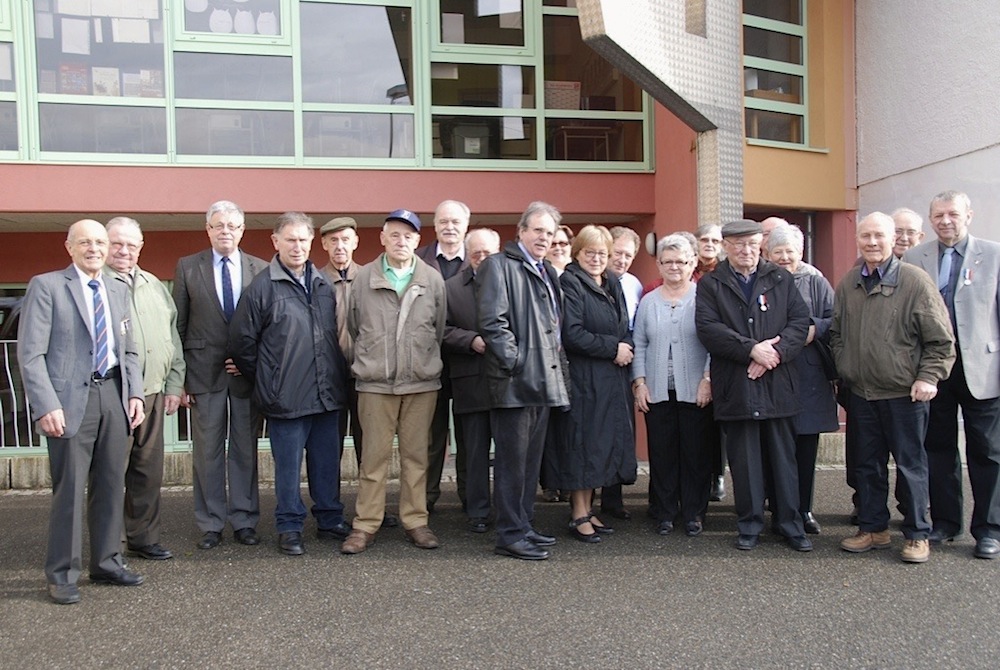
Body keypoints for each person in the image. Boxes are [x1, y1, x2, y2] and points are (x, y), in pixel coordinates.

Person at [18, 219, 146, 605]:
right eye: (86, 242)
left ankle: (107, 562)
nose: (95, 249)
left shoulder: (116, 289)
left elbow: (130, 348)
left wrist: (135, 393)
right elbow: (31, 354)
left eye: (100, 242)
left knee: (110, 484)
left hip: (113, 395)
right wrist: (47, 405)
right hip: (69, 402)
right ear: (69, 246)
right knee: (70, 491)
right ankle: (62, 573)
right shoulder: (48, 286)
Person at [832, 212, 955, 564]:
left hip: (905, 395)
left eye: (879, 236)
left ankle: (917, 533)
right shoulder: (850, 283)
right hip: (862, 394)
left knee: (911, 466)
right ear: (858, 239)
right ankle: (873, 528)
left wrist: (928, 377)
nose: (872, 242)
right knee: (866, 466)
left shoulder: (915, 282)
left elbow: (941, 340)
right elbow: (837, 334)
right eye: (866, 236)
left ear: (893, 239)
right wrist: (845, 367)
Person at [230, 212, 350, 556]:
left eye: (302, 240)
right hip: (286, 398)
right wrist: (269, 378)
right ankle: (289, 526)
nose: (297, 247)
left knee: (327, 464)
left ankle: (329, 518)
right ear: (276, 242)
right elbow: (242, 343)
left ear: (311, 242)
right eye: (290, 240)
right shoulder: (261, 288)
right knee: (287, 469)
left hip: (327, 394)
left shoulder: (323, 285)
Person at [695, 219, 813, 552]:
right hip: (737, 386)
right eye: (737, 244)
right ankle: (749, 524)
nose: (745, 250)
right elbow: (708, 329)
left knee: (783, 460)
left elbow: (799, 322)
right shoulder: (711, 283)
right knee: (744, 463)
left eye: (751, 244)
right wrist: (751, 349)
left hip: (777, 383)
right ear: (725, 247)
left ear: (760, 245)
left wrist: (772, 353)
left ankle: (790, 524)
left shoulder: (780, 278)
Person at [341, 209, 446, 555]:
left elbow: (439, 329)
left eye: (409, 236)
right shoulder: (363, 279)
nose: (402, 241)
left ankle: (416, 521)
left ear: (418, 240)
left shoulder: (432, 280)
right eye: (395, 235)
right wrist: (373, 360)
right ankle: (365, 524)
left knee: (417, 457)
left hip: (420, 384)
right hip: (375, 384)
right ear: (382, 238)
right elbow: (354, 328)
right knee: (373, 459)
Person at [903, 191, 1000, 559]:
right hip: (932, 369)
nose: (945, 221)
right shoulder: (915, 257)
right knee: (938, 448)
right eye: (938, 215)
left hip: (982, 367)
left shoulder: (993, 255)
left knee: (988, 451)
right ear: (930, 219)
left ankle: (988, 529)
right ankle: (945, 522)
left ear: (968, 215)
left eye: (953, 214)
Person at [173, 200, 268, 550]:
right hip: (202, 374)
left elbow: (266, 328)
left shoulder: (260, 268)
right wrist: (179, 379)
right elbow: (178, 326)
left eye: (232, 225)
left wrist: (251, 362)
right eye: (218, 225)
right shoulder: (187, 267)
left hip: (244, 377)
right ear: (208, 230)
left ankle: (244, 519)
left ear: (242, 230)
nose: (225, 230)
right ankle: (211, 522)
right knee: (207, 452)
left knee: (245, 449)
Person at [478, 201, 570, 560]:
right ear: (521, 232)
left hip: (542, 382)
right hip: (515, 383)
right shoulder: (498, 267)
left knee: (530, 463)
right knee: (512, 464)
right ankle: (509, 534)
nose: (544, 238)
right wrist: (516, 362)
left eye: (550, 233)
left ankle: (525, 525)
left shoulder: (545, 269)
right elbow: (492, 323)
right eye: (538, 231)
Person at [104, 217, 185, 561]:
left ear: (141, 248)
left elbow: (172, 338)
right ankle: (111, 547)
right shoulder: (96, 285)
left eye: (131, 245)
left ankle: (143, 538)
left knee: (147, 473)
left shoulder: (153, 284)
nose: (124, 251)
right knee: (110, 474)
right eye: (117, 243)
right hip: (113, 395)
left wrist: (174, 384)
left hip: (153, 392)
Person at [556, 225, 636, 543]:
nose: (597, 258)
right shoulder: (570, 282)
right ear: (577, 253)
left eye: (602, 253)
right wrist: (613, 348)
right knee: (583, 445)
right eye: (590, 252)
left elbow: (624, 325)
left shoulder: (611, 281)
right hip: (584, 378)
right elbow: (571, 333)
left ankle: (589, 510)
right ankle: (577, 514)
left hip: (611, 379)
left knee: (600, 445)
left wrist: (625, 345)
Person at [632, 234, 712, 537]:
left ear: (692, 262)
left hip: (696, 389)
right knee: (662, 454)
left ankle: (694, 512)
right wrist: (639, 383)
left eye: (681, 261)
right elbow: (638, 343)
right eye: (668, 261)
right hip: (657, 390)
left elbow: (713, 344)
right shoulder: (649, 301)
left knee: (695, 454)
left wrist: (708, 380)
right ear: (659, 264)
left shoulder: (704, 297)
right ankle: (664, 512)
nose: (674, 266)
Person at [767, 225, 839, 535]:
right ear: (767, 254)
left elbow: (835, 317)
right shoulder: (761, 280)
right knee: (774, 445)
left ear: (801, 253)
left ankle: (804, 508)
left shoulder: (816, 280)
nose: (784, 257)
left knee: (805, 445)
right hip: (772, 370)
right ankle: (778, 508)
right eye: (778, 252)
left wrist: (815, 328)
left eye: (790, 252)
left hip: (808, 371)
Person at [443, 228, 501, 533]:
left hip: (509, 382)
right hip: (470, 380)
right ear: (468, 255)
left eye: (487, 252)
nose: (482, 258)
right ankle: (478, 511)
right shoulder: (451, 287)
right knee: (474, 452)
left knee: (508, 453)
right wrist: (471, 340)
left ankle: (508, 509)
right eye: (476, 253)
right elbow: (441, 329)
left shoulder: (513, 283)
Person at [417, 199, 469, 514]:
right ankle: (425, 497)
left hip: (467, 362)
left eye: (456, 222)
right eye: (443, 221)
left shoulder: (483, 259)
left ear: (466, 226)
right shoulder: (418, 259)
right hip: (427, 362)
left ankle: (469, 495)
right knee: (430, 437)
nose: (449, 227)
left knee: (468, 436)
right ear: (435, 225)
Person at [540, 224, 575, 504]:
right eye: (555, 243)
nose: (559, 247)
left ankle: (567, 480)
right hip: (544, 361)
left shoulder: (576, 277)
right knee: (547, 426)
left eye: (564, 243)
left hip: (573, 361)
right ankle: (550, 481)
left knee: (569, 425)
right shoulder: (540, 275)